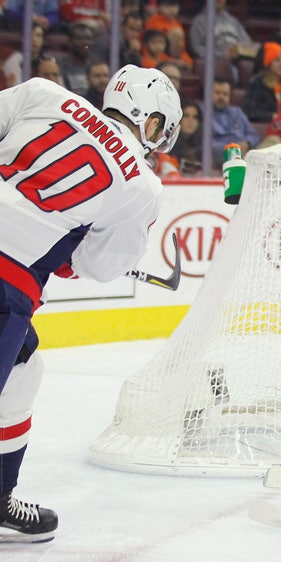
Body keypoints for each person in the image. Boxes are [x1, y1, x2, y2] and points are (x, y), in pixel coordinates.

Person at [0, 64, 180, 543]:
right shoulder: (141, 185)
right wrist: (64, 257)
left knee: (23, 368)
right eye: (161, 127)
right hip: (5, 284)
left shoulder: (43, 93)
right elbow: (100, 265)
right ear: (150, 121)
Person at [209, 78, 259, 169]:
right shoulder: (203, 112)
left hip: (244, 155)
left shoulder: (237, 112)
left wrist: (247, 143)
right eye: (217, 93)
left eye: (225, 94)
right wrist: (233, 149)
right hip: (219, 156)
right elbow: (204, 142)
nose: (221, 97)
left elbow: (253, 134)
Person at [189, 0, 259, 62]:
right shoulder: (199, 22)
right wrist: (221, 55)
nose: (220, 0)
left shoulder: (233, 21)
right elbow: (197, 48)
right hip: (216, 65)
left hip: (238, 62)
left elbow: (248, 43)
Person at [242, 42, 281, 124]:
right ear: (269, 64)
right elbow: (249, 112)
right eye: (277, 61)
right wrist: (271, 116)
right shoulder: (258, 84)